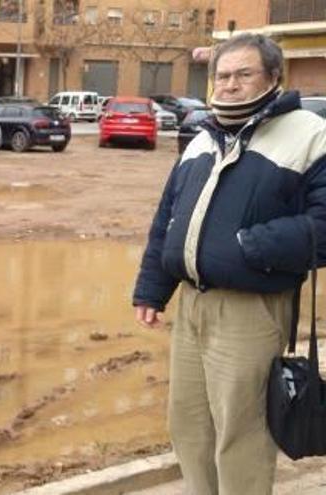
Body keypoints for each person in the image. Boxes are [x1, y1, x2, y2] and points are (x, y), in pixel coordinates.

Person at [132, 33, 326, 495]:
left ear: (273, 77)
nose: (231, 85)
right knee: (189, 425)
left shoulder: (309, 134)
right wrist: (151, 289)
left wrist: (248, 246)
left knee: (241, 433)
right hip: (193, 307)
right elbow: (168, 221)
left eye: (244, 74)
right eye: (222, 75)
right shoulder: (202, 138)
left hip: (252, 309)